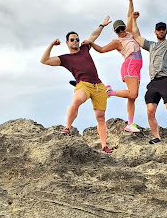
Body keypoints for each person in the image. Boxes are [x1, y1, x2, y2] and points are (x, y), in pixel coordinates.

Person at [40, 17, 113, 154]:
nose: (76, 41)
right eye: (72, 40)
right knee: (78, 99)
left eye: (77, 39)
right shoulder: (65, 58)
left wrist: (102, 25)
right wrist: (51, 45)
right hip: (83, 84)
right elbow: (44, 60)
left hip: (98, 85)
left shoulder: (85, 48)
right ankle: (67, 127)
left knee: (101, 117)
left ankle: (104, 146)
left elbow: (94, 35)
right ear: (67, 43)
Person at [86, 0, 142, 133]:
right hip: (129, 65)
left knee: (132, 97)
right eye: (118, 30)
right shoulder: (117, 42)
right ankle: (110, 92)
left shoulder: (129, 33)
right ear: (115, 32)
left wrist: (130, 0)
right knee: (133, 94)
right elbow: (102, 50)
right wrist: (91, 43)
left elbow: (130, 15)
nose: (121, 32)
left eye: (122, 28)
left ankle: (130, 124)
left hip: (137, 66)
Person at [131, 12, 167, 145]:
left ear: (166, 31)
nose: (161, 31)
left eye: (163, 29)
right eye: (159, 29)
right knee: (150, 111)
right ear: (155, 32)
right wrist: (134, 20)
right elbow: (136, 36)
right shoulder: (151, 45)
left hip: (166, 79)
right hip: (153, 82)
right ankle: (157, 137)